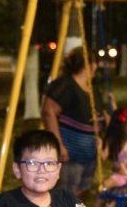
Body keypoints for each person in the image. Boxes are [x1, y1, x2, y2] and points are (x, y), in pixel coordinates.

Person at [42, 46, 106, 199]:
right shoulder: (66, 85)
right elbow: (48, 112)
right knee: (66, 192)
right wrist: (58, 144)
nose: (96, 66)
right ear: (87, 64)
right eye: (94, 62)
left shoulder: (92, 89)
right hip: (70, 153)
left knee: (82, 191)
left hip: (89, 154)